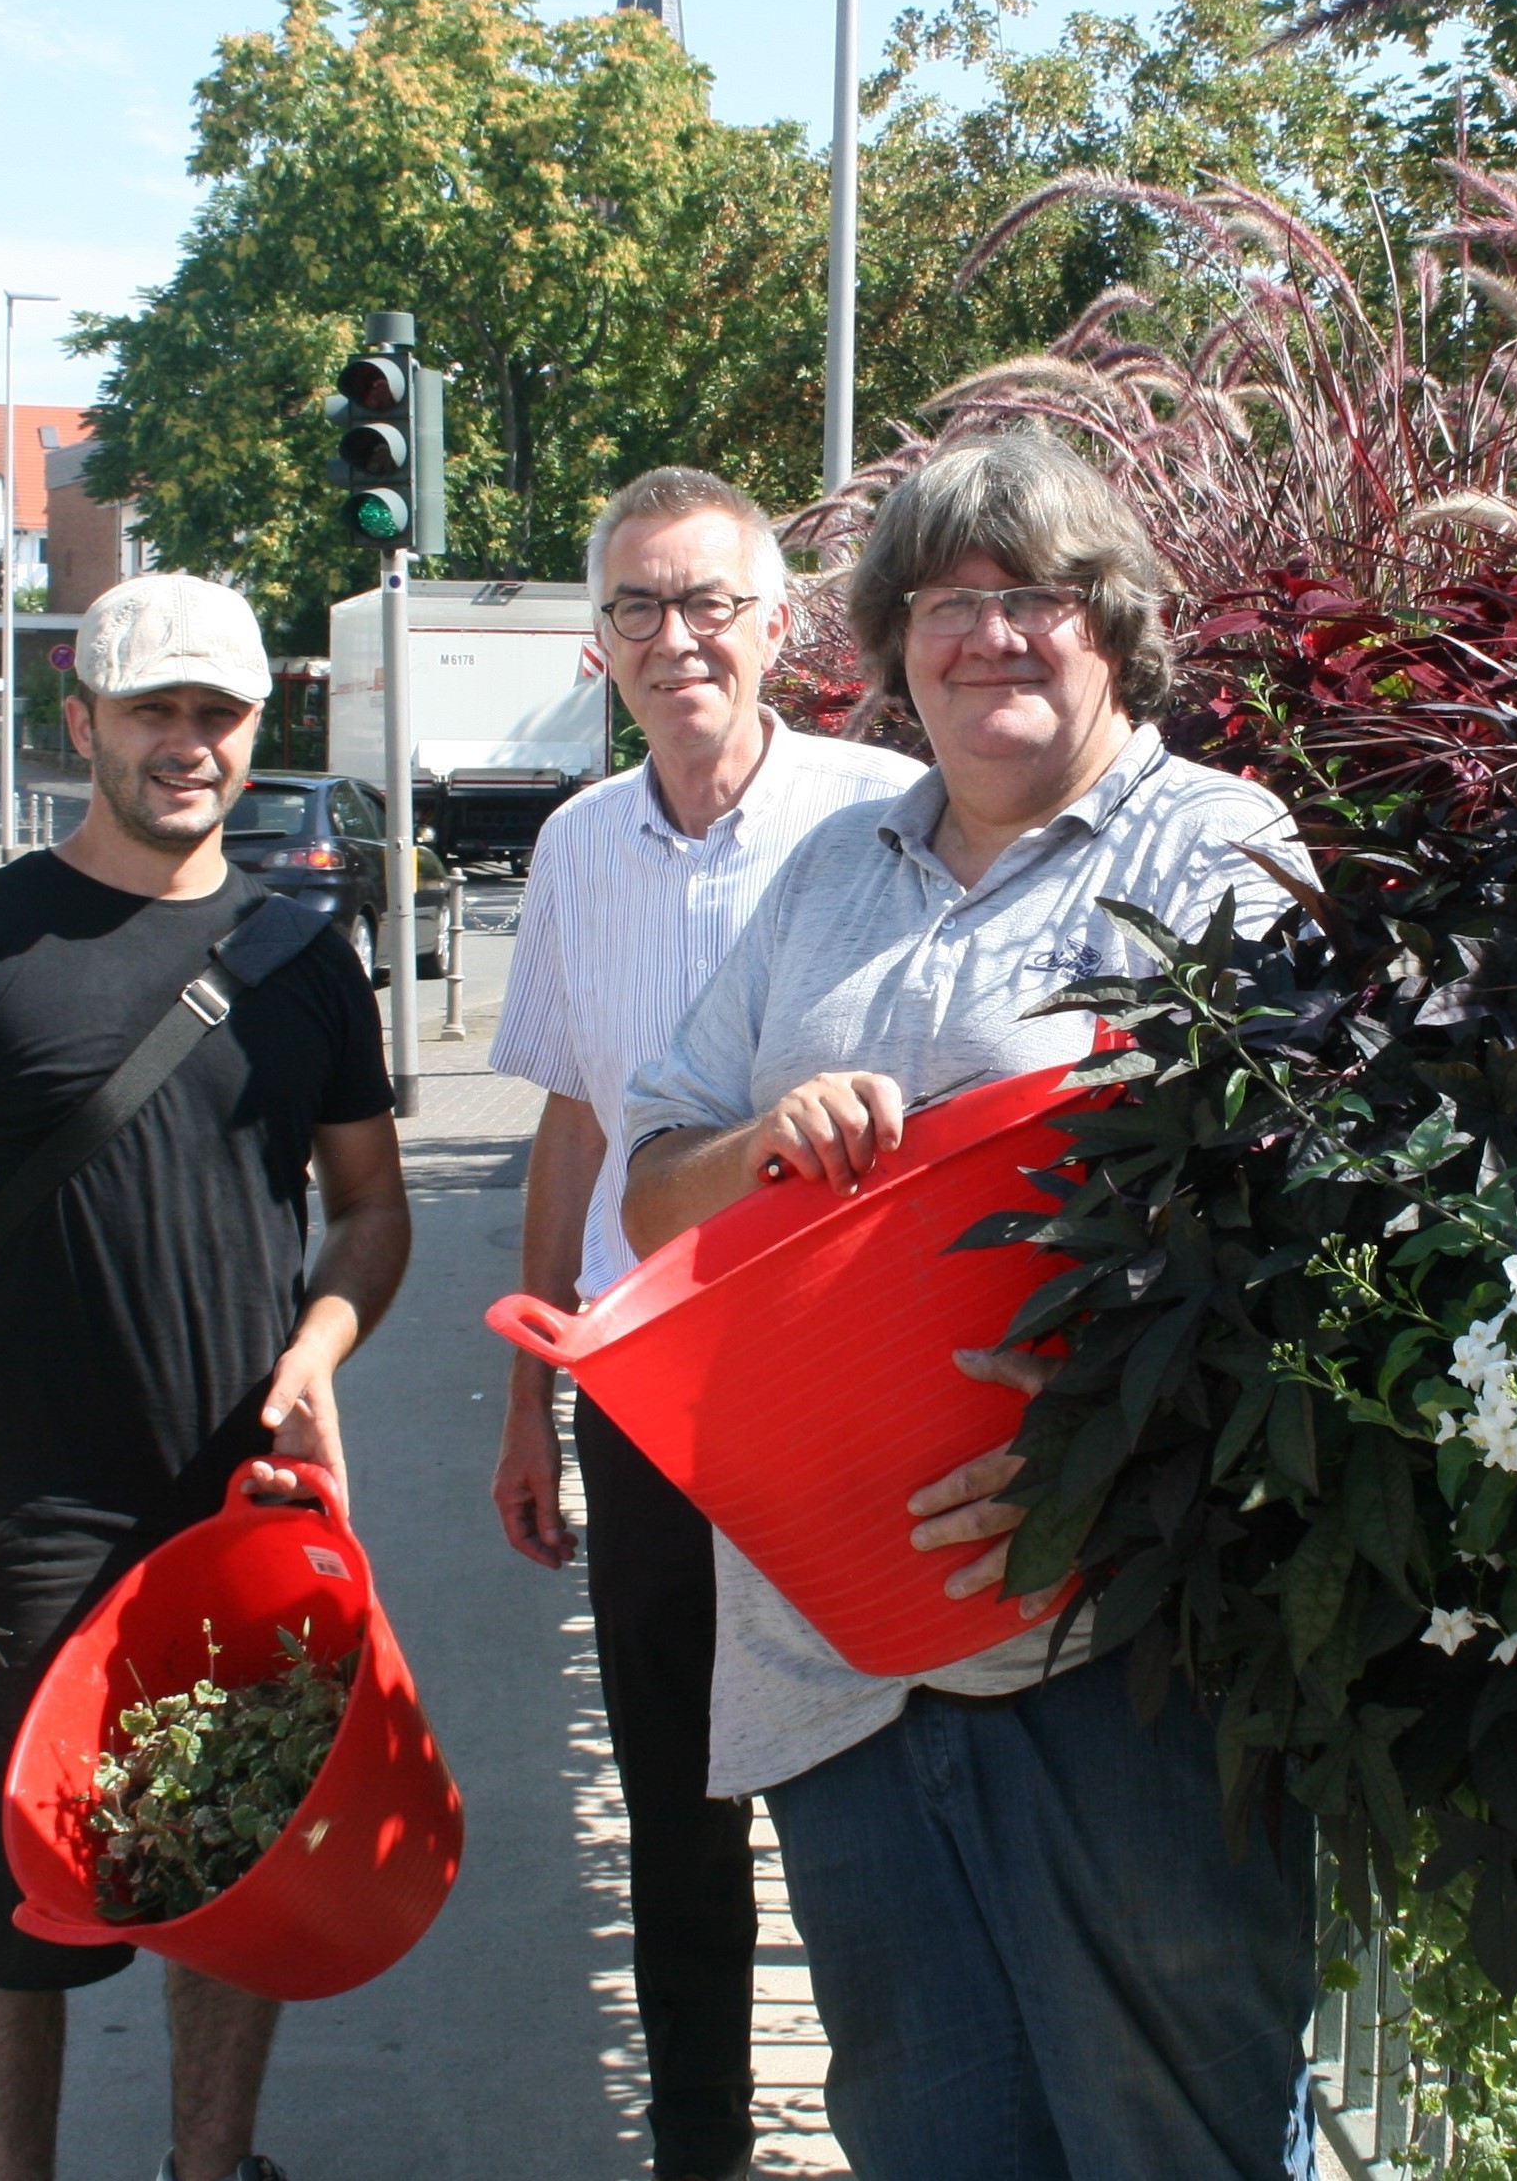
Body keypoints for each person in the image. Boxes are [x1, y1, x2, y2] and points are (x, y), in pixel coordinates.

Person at [620, 432, 1320, 2181]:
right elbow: (651, 1183)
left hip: (1102, 1642)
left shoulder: (1212, 846)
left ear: (1115, 628)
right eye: (950, 602)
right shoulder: (833, 868)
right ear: (893, 636)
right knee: (932, 2136)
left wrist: (1100, 1444)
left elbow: (1310, 1213)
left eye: (1039, 598)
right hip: (832, 1659)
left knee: (1177, 2138)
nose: (992, 635)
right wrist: (760, 1145)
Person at [0, 572, 409, 2181]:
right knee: (14, 1914)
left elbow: (370, 1212)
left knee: (242, 1875)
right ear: (81, 720)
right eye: (153, 709)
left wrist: (319, 1342)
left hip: (243, 1506)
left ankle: (206, 2176)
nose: (187, 744)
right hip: (28, 1516)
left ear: (252, 729)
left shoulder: (304, 960)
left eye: (216, 713)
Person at [487, 464, 921, 2181]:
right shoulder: (578, 844)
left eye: (710, 605)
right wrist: (529, 1401)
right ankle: (699, 2144)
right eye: (637, 609)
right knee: (675, 1795)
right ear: (598, 645)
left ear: (781, 627)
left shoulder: (880, 812)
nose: (678, 641)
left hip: (830, 1379)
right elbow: (575, 1124)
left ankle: (910, 2121)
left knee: (857, 1772)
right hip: (642, 1385)